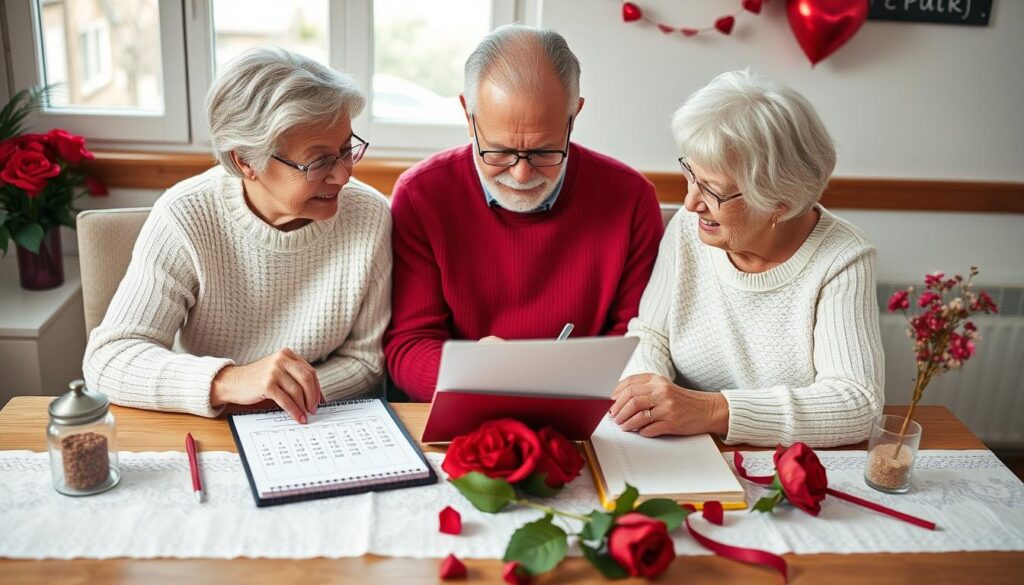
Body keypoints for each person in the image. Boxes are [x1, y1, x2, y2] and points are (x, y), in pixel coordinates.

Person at [83, 48, 391, 423]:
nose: (343, 175)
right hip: (205, 419)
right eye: (319, 161)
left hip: (315, 420)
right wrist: (229, 382)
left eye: (346, 150)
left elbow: (366, 361)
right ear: (246, 160)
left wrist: (283, 395)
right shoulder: (187, 215)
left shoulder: (369, 215)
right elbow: (110, 358)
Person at [384, 25, 664, 402]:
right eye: (498, 152)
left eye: (543, 153)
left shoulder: (631, 200)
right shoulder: (421, 196)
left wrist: (556, 381)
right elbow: (408, 345)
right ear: (469, 116)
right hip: (464, 405)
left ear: (573, 116)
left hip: (585, 413)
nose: (521, 174)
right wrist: (474, 374)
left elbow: (633, 338)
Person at [611, 70, 884, 447]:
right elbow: (650, 335)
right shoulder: (691, 229)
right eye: (691, 174)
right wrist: (646, 400)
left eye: (713, 191)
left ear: (779, 205)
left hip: (787, 461)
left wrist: (710, 411)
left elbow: (856, 405)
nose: (690, 202)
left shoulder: (843, 258)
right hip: (687, 448)